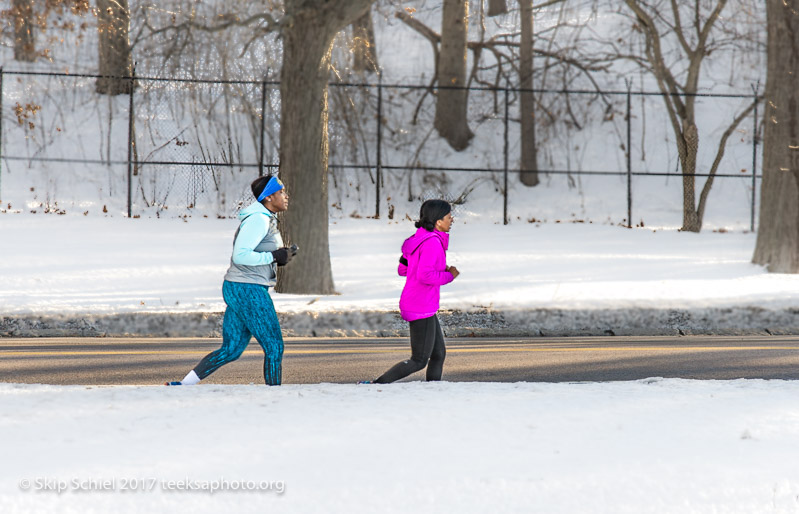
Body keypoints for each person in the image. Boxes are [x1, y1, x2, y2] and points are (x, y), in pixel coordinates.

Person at [166, 175, 297, 386]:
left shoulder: (264, 217)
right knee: (274, 345)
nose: (286, 196)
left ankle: (183, 385)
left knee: (232, 349)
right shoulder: (258, 219)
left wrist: (281, 257)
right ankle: (275, 396)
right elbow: (241, 255)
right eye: (281, 192)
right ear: (269, 197)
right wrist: (273, 256)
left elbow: (257, 253)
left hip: (239, 287)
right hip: (248, 289)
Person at [367, 199, 459, 384]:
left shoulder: (418, 238)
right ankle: (377, 385)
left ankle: (433, 391)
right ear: (438, 222)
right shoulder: (432, 243)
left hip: (422, 303)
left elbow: (403, 270)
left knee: (439, 354)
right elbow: (425, 275)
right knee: (419, 360)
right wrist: (449, 275)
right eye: (449, 216)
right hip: (420, 305)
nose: (452, 220)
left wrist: (416, 263)